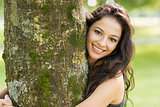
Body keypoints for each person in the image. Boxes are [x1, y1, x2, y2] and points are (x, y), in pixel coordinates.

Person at [0, 4, 134, 107]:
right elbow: (20, 86)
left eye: (112, 39)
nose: (102, 43)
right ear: (86, 28)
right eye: (98, 32)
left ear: (118, 45)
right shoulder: (76, 59)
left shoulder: (113, 80)